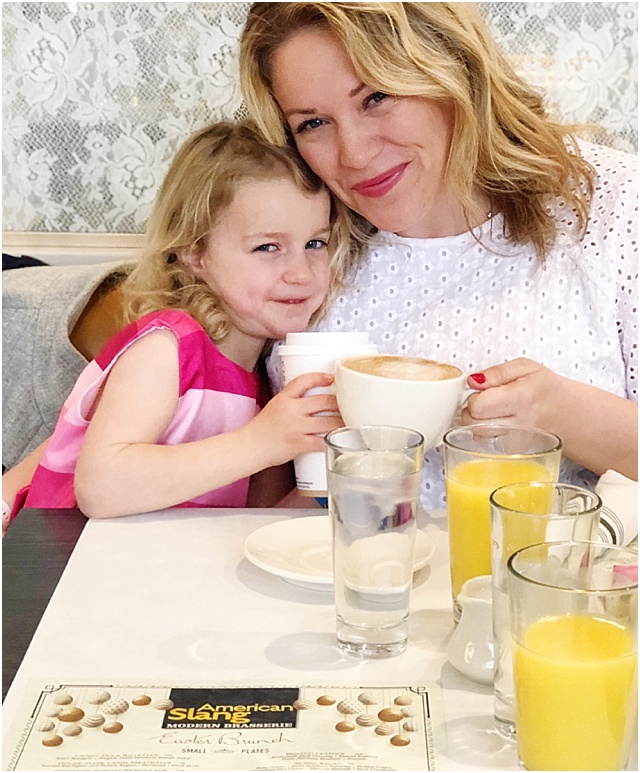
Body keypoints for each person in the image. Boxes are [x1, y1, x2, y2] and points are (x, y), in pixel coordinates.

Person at [239, 1, 638, 510]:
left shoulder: (614, 203)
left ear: (454, 73)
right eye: (314, 123)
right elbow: (255, 490)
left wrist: (569, 416)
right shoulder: (297, 248)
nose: (354, 154)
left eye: (377, 97)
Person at [5, 118, 354, 527]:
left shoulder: (263, 380)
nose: (301, 272)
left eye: (315, 243)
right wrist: (260, 442)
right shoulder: (166, 347)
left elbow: (259, 521)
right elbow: (100, 487)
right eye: (267, 247)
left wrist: (343, 475)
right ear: (195, 252)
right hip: (64, 555)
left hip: (155, 561)